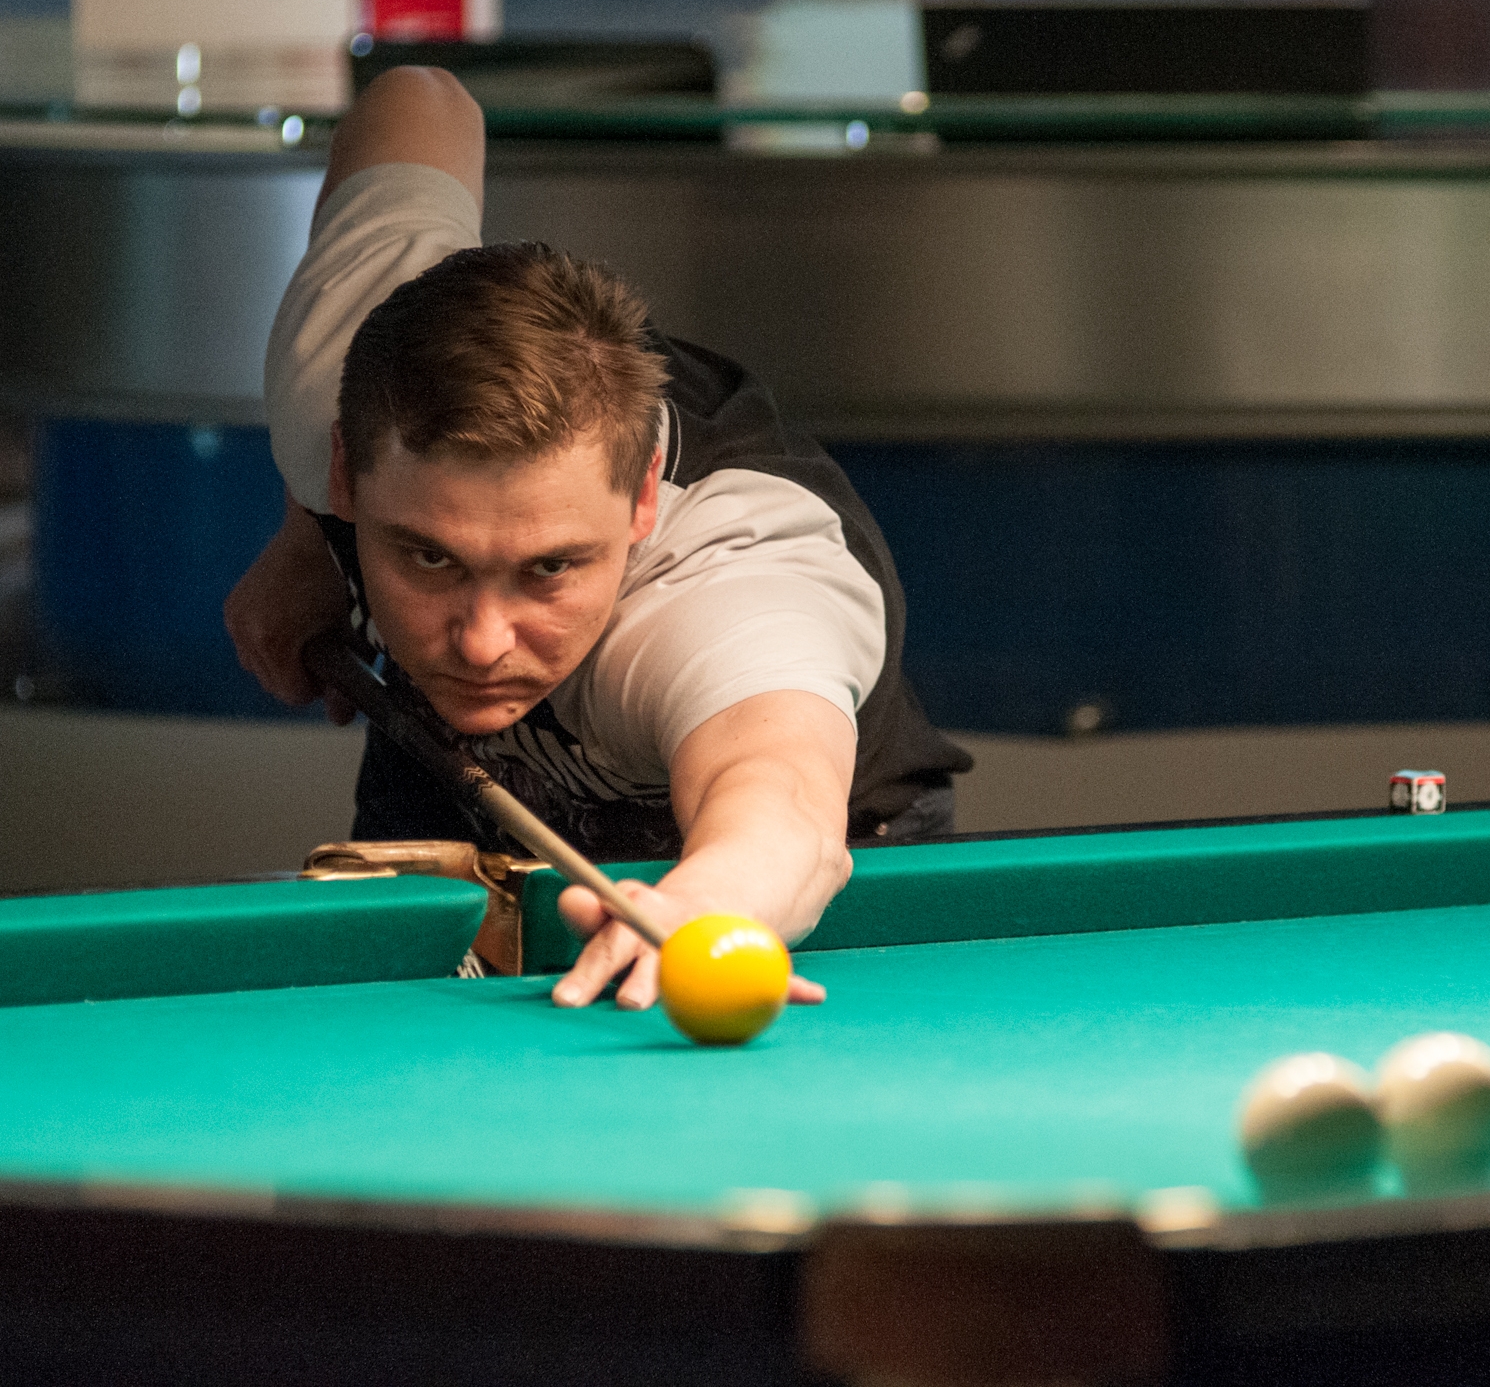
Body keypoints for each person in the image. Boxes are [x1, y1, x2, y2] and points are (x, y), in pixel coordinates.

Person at [225, 66, 969, 1014]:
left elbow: (777, 797)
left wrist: (716, 900)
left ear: (642, 503)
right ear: (346, 467)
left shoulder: (733, 588)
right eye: (429, 557)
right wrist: (308, 534)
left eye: (550, 568)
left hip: (810, 868)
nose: (482, 641)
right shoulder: (333, 376)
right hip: (455, 778)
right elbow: (421, 97)